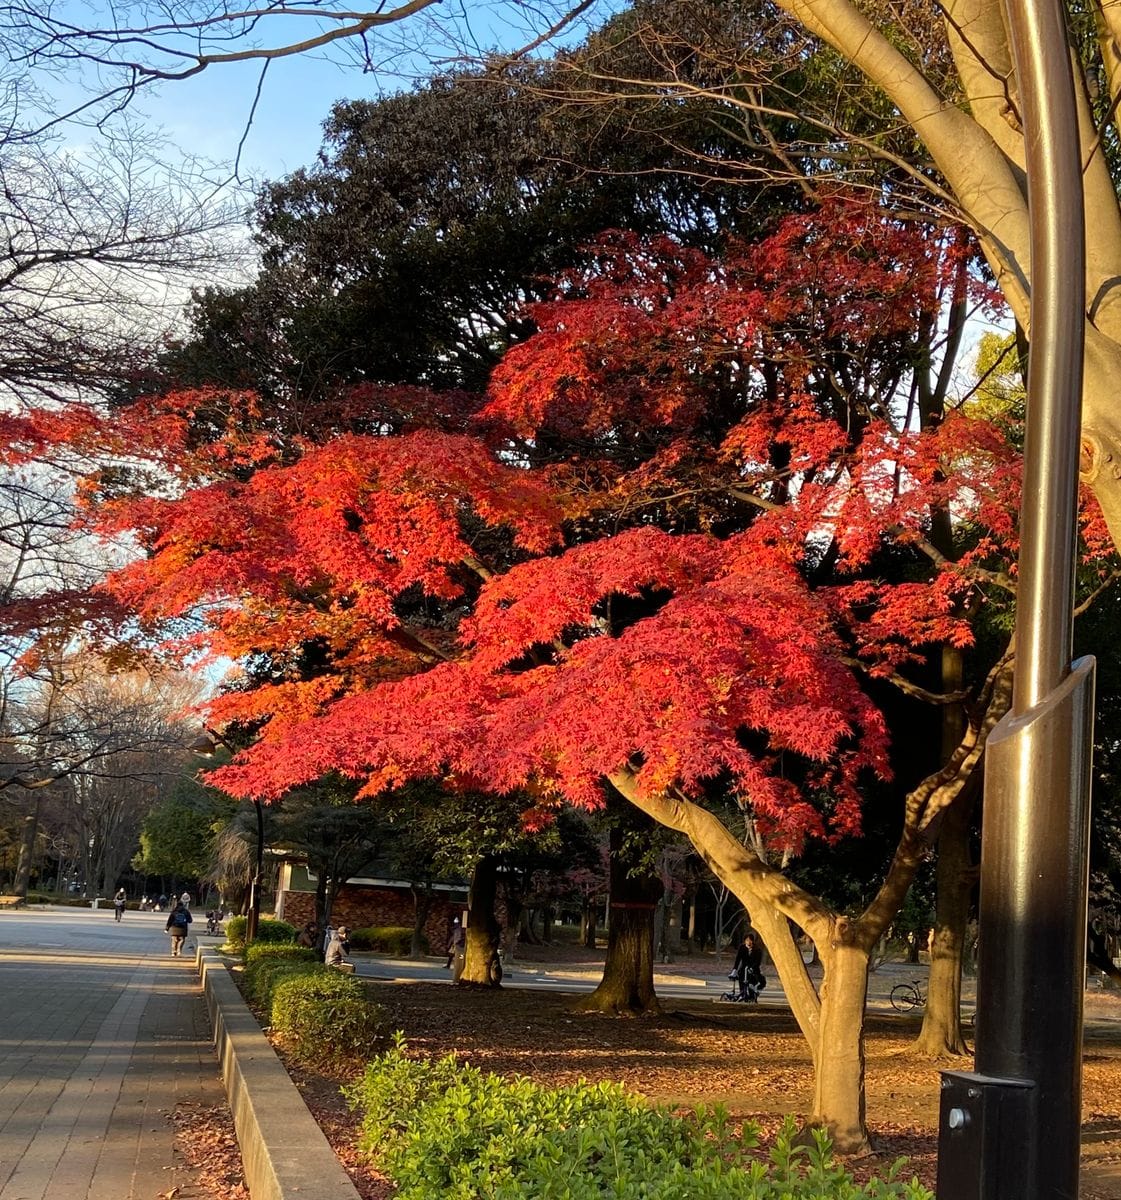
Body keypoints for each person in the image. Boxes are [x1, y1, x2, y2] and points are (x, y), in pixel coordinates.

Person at [731, 932, 764, 1002]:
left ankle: (752, 997)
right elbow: (738, 959)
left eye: (750, 940)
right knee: (741, 981)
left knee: (753, 983)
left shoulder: (757, 949)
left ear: (752, 941)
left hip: (753, 970)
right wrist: (735, 969)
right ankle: (742, 995)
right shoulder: (742, 947)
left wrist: (752, 968)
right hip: (743, 969)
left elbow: (758, 962)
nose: (748, 942)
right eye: (747, 940)